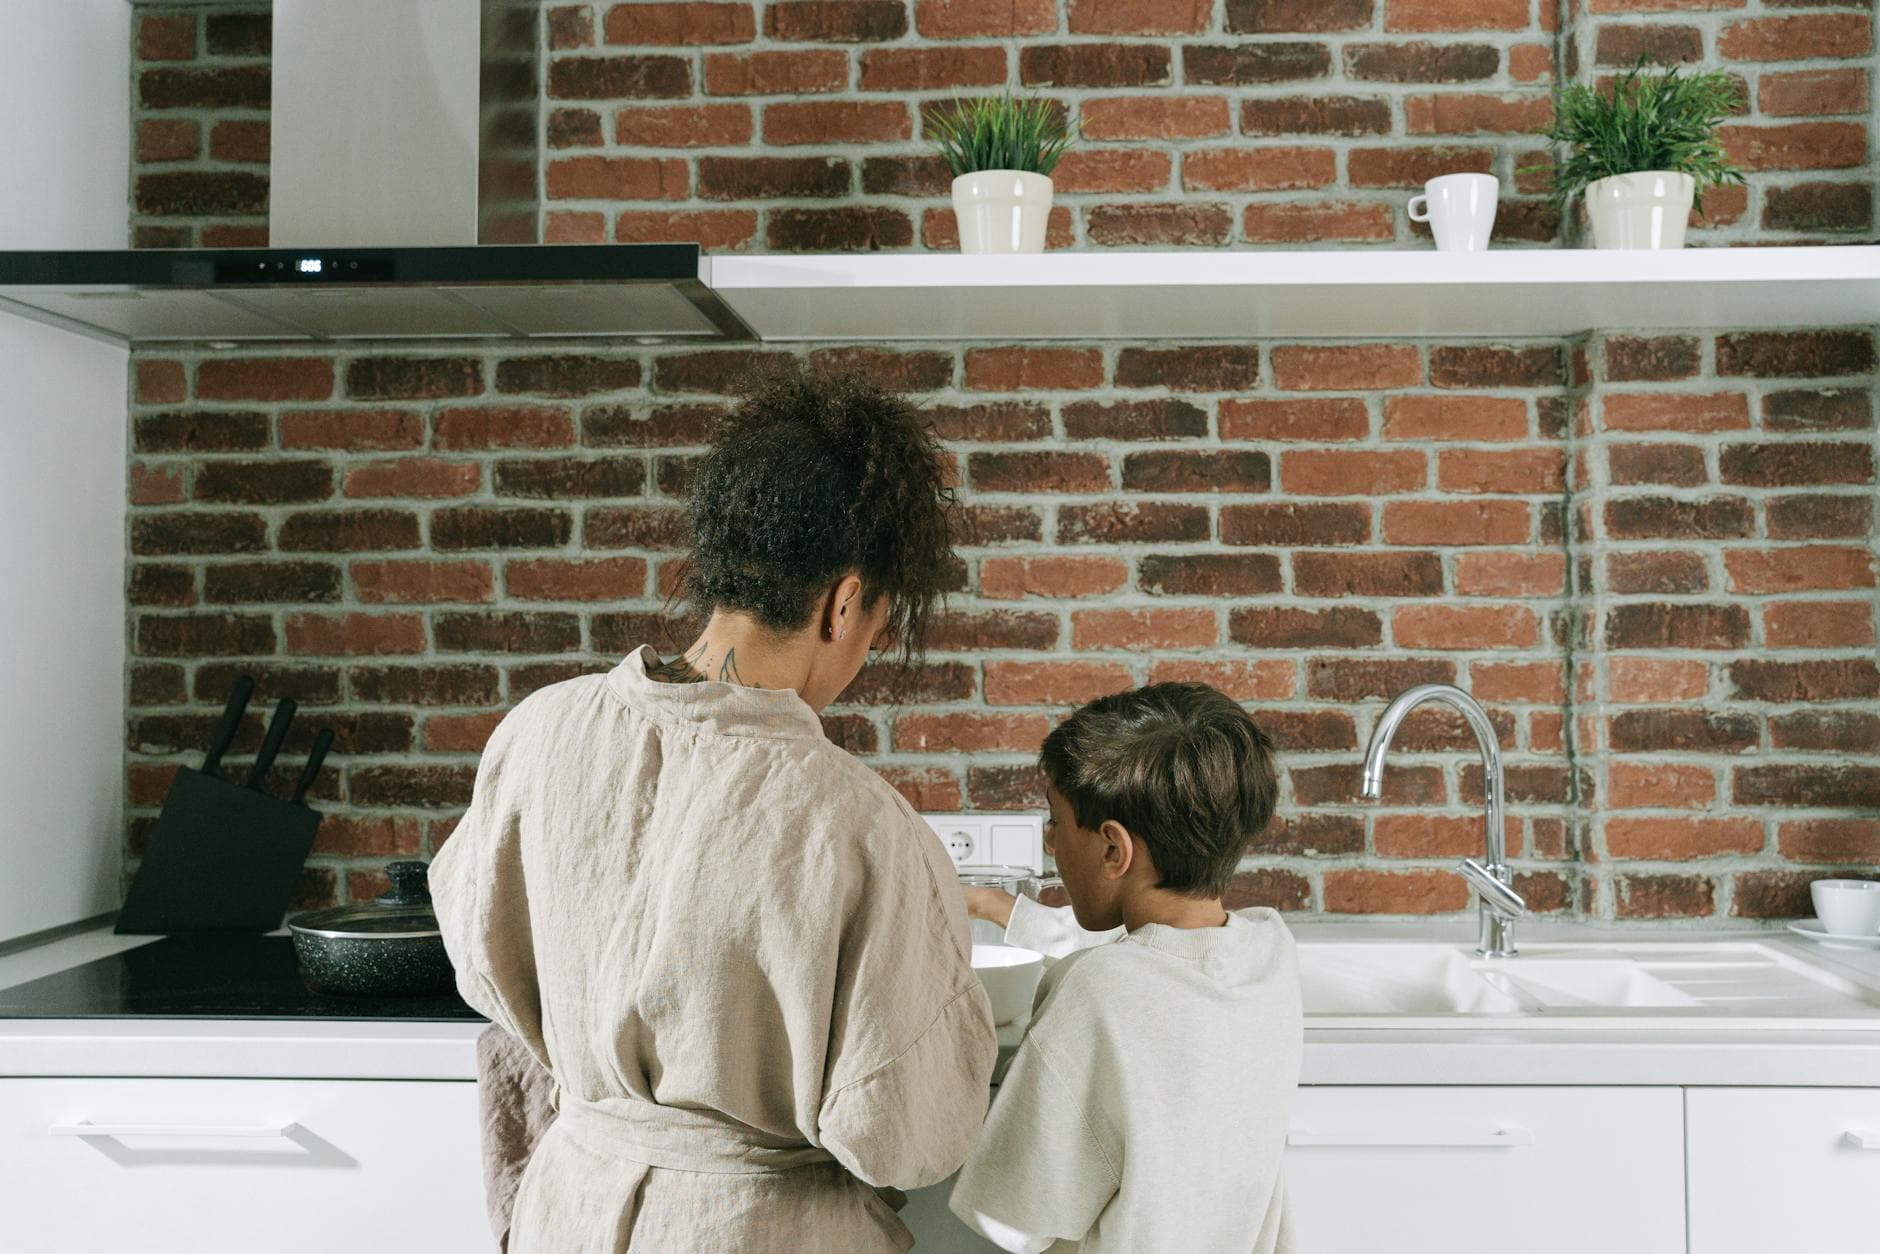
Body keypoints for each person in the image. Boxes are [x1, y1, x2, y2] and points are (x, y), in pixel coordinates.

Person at [430, 363, 998, 1253]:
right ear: (845, 601)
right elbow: (904, 1132)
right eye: (880, 623)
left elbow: (481, 961)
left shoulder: (538, 733)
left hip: (571, 1213)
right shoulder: (861, 826)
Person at [950, 683, 1303, 1254]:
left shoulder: (1099, 991)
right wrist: (993, 905)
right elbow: (1152, 959)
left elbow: (1013, 1219)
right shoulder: (1267, 953)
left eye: (1056, 822)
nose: (1050, 841)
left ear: (1114, 850)